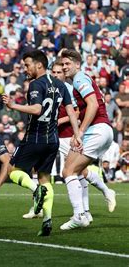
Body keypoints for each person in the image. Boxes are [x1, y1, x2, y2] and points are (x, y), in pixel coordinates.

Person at [2, 50, 80, 236]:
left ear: (39, 65)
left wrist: (13, 105)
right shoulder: (61, 85)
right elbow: (71, 111)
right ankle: (47, 220)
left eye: (27, 65)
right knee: (45, 177)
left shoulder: (36, 83)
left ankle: (36, 190)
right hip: (52, 139)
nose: (25, 69)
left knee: (12, 170)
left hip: (35, 137)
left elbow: (37, 109)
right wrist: (77, 134)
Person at [59, 49, 116, 230]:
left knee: (68, 172)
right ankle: (90, 207)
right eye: (63, 64)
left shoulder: (79, 78)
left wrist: (80, 132)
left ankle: (80, 216)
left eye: (68, 64)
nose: (65, 67)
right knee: (76, 169)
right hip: (103, 130)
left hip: (97, 130)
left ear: (77, 64)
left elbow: (92, 104)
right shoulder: (81, 79)